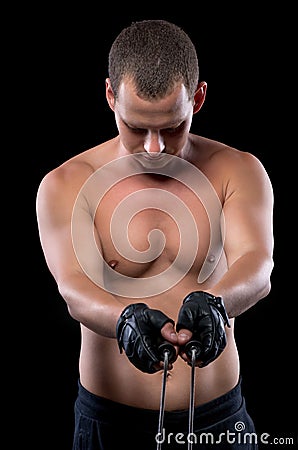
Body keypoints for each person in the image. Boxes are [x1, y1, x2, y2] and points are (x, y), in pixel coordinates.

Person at [36, 19, 274, 449]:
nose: (154, 148)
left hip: (219, 421)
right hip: (111, 425)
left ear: (197, 99)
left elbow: (257, 266)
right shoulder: (67, 183)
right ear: (110, 96)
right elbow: (73, 288)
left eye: (171, 127)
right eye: (135, 127)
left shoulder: (235, 170)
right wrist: (124, 321)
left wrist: (217, 305)